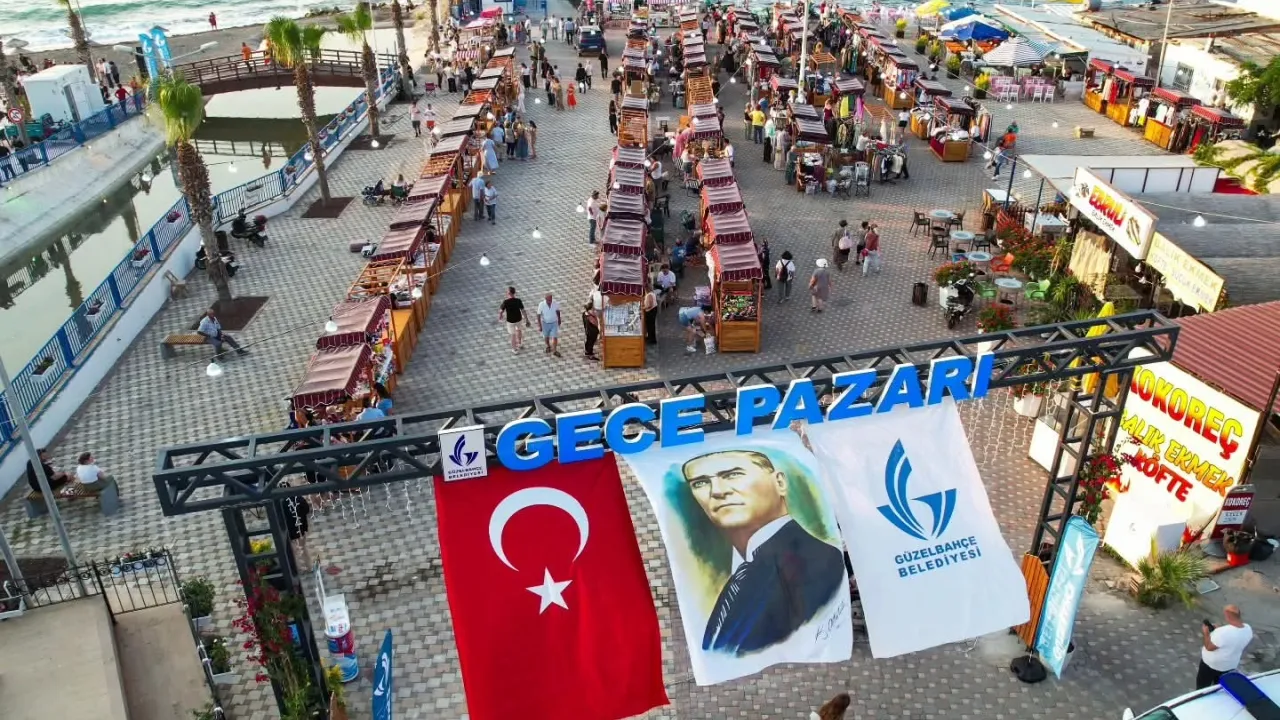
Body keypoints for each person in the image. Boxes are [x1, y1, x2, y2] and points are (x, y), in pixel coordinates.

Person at [680, 449, 846, 655]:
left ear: (780, 483)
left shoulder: (818, 560)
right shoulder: (739, 574)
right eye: (700, 483)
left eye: (733, 474)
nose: (717, 491)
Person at [1198, 605, 1254, 689]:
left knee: (1202, 686)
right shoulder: (1248, 629)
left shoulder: (1223, 633)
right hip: (1229, 665)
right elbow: (1231, 638)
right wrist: (1218, 629)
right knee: (1218, 687)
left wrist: (1206, 633)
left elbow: (1209, 647)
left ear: (1227, 615)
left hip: (1211, 665)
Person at [498, 286, 530, 352]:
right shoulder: (518, 300)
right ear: (514, 292)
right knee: (519, 330)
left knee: (513, 335)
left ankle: (514, 349)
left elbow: (501, 311)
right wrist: (527, 320)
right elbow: (523, 310)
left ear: (509, 293)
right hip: (518, 319)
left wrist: (500, 316)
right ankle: (520, 343)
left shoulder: (506, 302)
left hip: (510, 321)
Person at [536, 292, 562, 357]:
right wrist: (540, 325)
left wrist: (559, 319)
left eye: (551, 299)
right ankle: (548, 346)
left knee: (554, 336)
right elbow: (538, 315)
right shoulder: (541, 304)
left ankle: (555, 350)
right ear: (545, 299)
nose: (550, 301)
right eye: (549, 300)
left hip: (554, 322)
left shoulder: (555, 303)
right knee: (546, 336)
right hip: (545, 323)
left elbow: (558, 311)